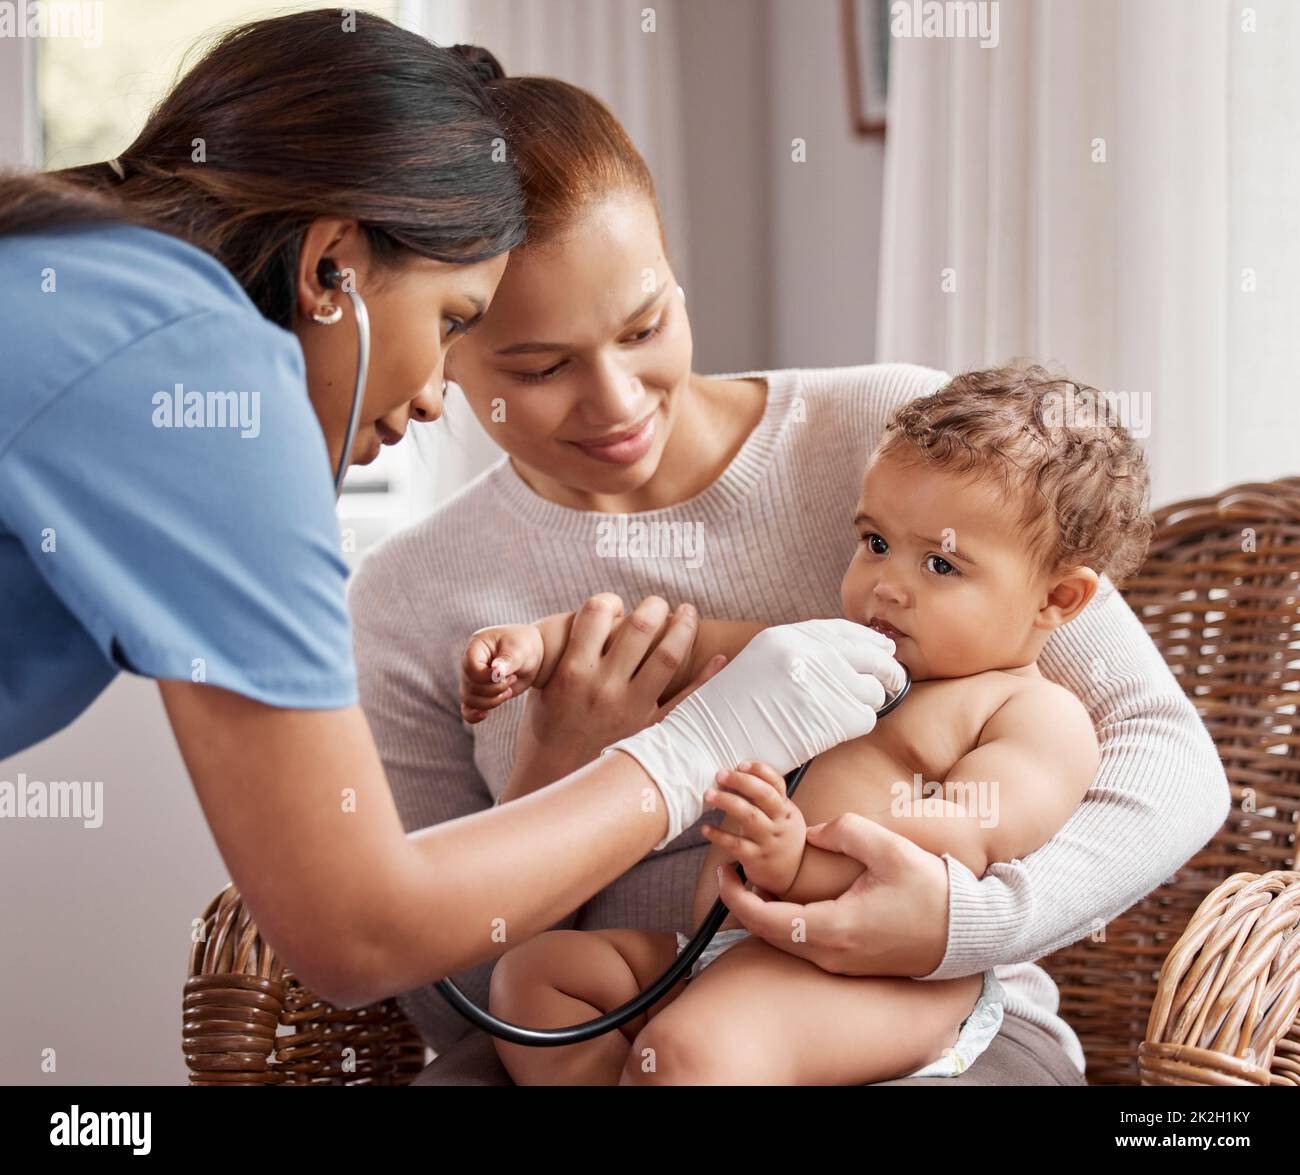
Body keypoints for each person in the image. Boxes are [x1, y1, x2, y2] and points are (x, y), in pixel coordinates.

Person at [347, 56, 1231, 1084]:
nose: (617, 399)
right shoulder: (408, 596)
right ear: (440, 346)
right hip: (634, 1000)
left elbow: (1168, 758)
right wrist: (558, 772)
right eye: (540, 368)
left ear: (676, 275)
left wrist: (957, 920)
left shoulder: (901, 448)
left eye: (645, 326)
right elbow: (438, 990)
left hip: (901, 1015)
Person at [0, 11, 904, 1015]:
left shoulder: (81, 275)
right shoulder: (198, 378)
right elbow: (355, 933)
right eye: (453, 325)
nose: (435, 393)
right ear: (328, 267)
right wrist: (688, 750)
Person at [461, 364, 1150, 1085]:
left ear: (1058, 597)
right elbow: (676, 641)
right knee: (534, 979)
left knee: (695, 1052)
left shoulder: (1033, 714)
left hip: (883, 981)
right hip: (732, 949)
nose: (887, 582)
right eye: (876, 542)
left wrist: (799, 860)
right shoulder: (833, 649)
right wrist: (540, 645)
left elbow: (960, 839)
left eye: (941, 563)